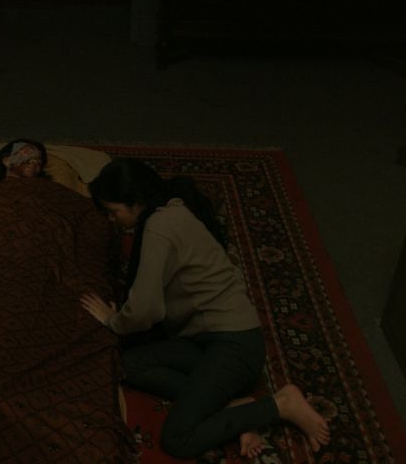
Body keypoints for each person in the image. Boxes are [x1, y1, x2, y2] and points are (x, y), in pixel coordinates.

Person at [79, 158, 330, 459]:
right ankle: (229, 403)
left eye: (113, 211)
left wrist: (113, 320)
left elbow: (146, 310)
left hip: (235, 345)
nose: (110, 219)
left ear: (136, 201)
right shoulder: (171, 208)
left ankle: (279, 405)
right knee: (128, 365)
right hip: (205, 340)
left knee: (177, 439)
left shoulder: (158, 227)